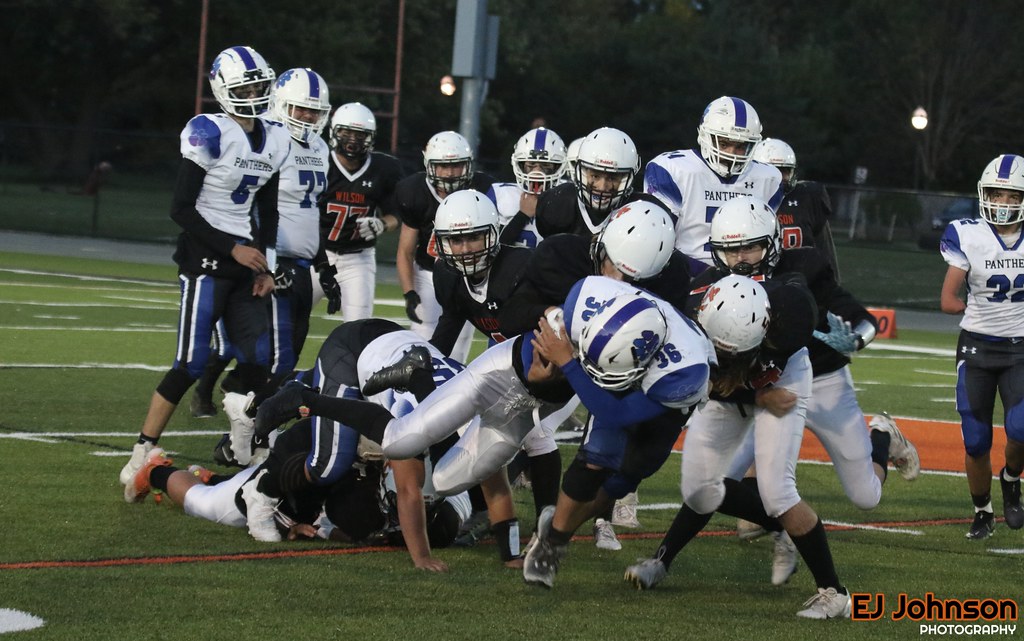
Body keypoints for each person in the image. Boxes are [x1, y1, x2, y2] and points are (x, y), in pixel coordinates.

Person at [625, 273, 856, 620]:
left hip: (783, 381)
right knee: (701, 487)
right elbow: (706, 381)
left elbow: (796, 356)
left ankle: (834, 593)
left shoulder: (790, 319)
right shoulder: (691, 319)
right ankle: (661, 561)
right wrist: (754, 392)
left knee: (778, 490)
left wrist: (763, 391)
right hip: (745, 388)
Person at [119, 45, 291, 494]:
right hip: (205, 260)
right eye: (245, 86)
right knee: (191, 362)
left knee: (258, 360)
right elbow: (181, 208)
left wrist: (264, 263)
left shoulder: (276, 136)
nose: (254, 93)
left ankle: (242, 443)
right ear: (222, 90)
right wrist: (233, 249)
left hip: (244, 263)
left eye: (259, 84)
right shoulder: (208, 131)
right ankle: (141, 449)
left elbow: (268, 211)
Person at [706, 196, 919, 544]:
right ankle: (779, 520)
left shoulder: (805, 267)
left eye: (751, 248)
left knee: (866, 496)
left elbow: (860, 318)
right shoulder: (717, 279)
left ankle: (883, 436)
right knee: (715, 480)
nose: (740, 259)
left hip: (821, 379)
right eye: (732, 249)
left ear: (771, 243)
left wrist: (857, 339)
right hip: (767, 388)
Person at [499, 200, 699, 543]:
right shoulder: (566, 261)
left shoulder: (672, 280)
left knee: (621, 464)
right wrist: (553, 323)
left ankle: (580, 524)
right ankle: (531, 522)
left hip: (630, 372)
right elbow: (514, 314)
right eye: (612, 266)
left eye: (633, 276)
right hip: (569, 362)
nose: (617, 280)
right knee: (537, 435)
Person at [521, 279, 715, 589]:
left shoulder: (683, 374)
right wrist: (541, 365)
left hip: (666, 399)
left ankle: (559, 527)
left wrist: (569, 365)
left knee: (621, 480)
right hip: (620, 357)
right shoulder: (587, 295)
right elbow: (545, 328)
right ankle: (553, 543)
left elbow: (618, 414)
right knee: (596, 458)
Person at [189, 67, 334, 419]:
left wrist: (323, 265)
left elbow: (310, 211)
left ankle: (237, 397)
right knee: (269, 353)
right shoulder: (266, 139)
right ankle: (251, 415)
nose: (308, 117)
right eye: (300, 109)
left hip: (299, 263)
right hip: (267, 260)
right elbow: (249, 203)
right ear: (282, 104)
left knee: (286, 350)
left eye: (314, 111)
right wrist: (265, 259)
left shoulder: (319, 146)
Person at [431, 189, 567, 543]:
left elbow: (559, 324)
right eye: (455, 240)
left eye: (473, 237)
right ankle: (484, 513)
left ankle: (547, 527)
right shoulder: (448, 278)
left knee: (535, 433)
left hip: (560, 362)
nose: (465, 248)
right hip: (512, 367)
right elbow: (444, 336)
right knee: (476, 427)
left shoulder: (523, 267)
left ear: (492, 233)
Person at [123, 417, 470, 555]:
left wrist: (324, 531)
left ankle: (215, 476)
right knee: (209, 505)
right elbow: (327, 515)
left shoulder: (447, 491)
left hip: (320, 485)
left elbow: (344, 527)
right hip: (292, 479)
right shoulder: (343, 454)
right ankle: (155, 469)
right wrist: (296, 524)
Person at [939, 153, 1024, 539]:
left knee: (1021, 429)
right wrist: (970, 307)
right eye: (996, 194)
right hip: (977, 347)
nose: (1002, 203)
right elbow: (948, 299)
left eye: (1011, 196)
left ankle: (1010, 478)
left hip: (1020, 349)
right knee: (976, 440)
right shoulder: (968, 234)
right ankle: (982, 511)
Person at [644, 96, 784, 266]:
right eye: (724, 144)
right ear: (705, 136)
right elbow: (656, 242)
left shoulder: (768, 178)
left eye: (740, 146)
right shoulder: (673, 170)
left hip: (748, 272)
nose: (731, 153)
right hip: (687, 276)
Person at [393, 131, 494, 359]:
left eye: (456, 166)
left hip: (466, 275)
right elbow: (405, 250)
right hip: (428, 273)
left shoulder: (484, 189)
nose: (449, 173)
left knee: (457, 349)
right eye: (443, 166)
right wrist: (409, 291)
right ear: (429, 165)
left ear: (468, 165)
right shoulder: (414, 191)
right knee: (422, 337)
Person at [314, 102, 405, 319]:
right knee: (291, 318)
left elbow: (397, 213)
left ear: (371, 137)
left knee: (358, 328)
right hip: (316, 256)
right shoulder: (318, 161)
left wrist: (382, 224)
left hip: (357, 258)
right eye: (346, 132)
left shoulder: (383, 169)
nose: (352, 139)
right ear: (334, 132)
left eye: (359, 134)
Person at [750, 138, 841, 280]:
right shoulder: (745, 199)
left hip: (801, 282)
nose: (779, 178)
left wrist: (832, 284)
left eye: (784, 171)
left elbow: (825, 251)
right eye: (772, 171)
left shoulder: (807, 198)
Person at [533, 127, 644, 239]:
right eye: (595, 176)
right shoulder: (558, 202)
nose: (602, 187)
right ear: (582, 172)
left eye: (612, 179)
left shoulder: (640, 213)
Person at [490, 126, 569, 248]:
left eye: (545, 165)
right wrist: (522, 215)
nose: (537, 172)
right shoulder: (500, 195)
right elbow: (492, 250)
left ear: (557, 167)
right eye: (531, 164)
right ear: (520, 165)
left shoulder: (569, 196)